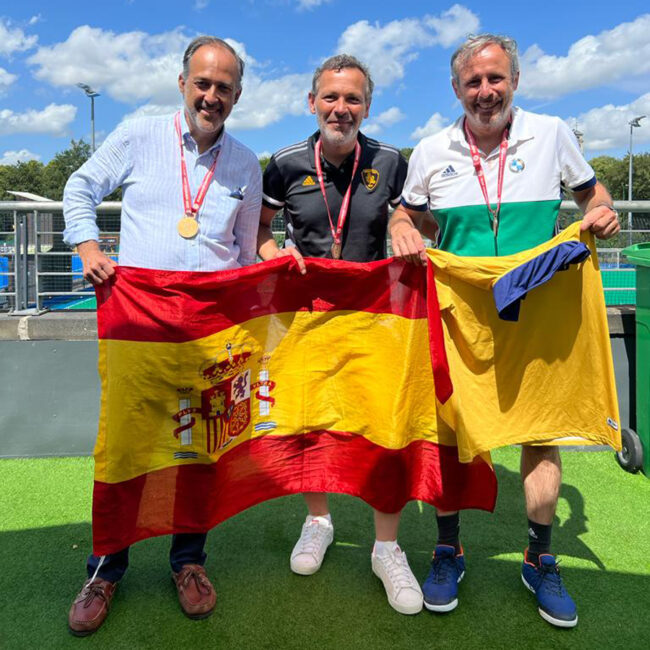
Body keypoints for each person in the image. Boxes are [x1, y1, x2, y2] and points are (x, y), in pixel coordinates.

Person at [389, 33, 620, 628]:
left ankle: (540, 557)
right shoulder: (431, 149)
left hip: (536, 309)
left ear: (514, 80)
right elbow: (406, 212)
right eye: (474, 81)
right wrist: (402, 227)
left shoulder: (552, 133)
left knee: (539, 432)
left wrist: (601, 210)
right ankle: (448, 548)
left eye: (496, 79)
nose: (485, 91)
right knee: (450, 433)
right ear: (456, 88)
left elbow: (591, 192)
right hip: (460, 313)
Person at [63, 35, 262, 636]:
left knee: (200, 451)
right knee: (126, 447)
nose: (211, 96)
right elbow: (80, 188)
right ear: (182, 84)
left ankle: (188, 562)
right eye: (202, 83)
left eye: (223, 87)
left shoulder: (245, 164)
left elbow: (246, 254)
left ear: (237, 96)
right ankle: (105, 570)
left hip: (209, 336)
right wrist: (88, 246)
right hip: (140, 328)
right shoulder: (138, 135)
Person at [257, 55, 421, 615]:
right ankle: (318, 521)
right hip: (305, 319)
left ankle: (386, 547)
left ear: (367, 107)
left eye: (353, 99)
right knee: (310, 422)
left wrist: (402, 223)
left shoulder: (391, 161)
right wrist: (273, 254)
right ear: (312, 102)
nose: (340, 108)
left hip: (376, 320)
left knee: (383, 428)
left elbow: (412, 218)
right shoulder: (284, 164)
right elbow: (260, 232)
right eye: (331, 97)